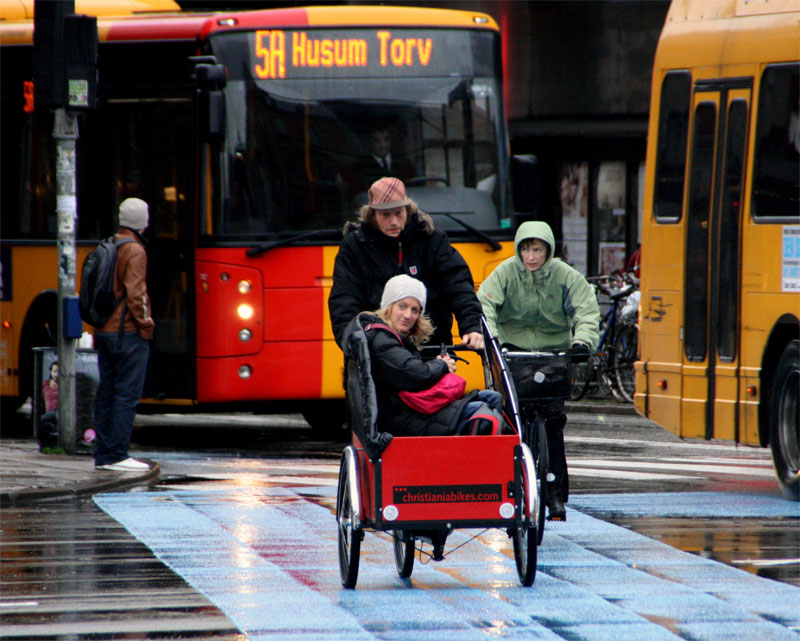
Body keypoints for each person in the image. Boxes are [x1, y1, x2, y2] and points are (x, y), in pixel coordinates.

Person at [478, 221, 599, 520]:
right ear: (518, 250)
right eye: (526, 249)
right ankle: (510, 486)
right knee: (510, 423)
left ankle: (555, 494)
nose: (531, 256)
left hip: (553, 353)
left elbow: (586, 309)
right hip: (512, 353)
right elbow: (485, 305)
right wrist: (491, 341)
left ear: (549, 250)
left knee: (554, 422)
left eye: (538, 249)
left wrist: (582, 341)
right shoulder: (504, 273)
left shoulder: (565, 276)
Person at [329, 176, 485, 351]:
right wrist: (356, 345)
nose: (394, 221)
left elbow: (458, 285)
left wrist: (473, 327)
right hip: (377, 354)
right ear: (372, 215)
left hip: (431, 349)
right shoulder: (354, 246)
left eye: (398, 213)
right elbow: (344, 301)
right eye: (385, 215)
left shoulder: (432, 239)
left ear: (408, 210)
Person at [357, 274, 502, 437]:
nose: (408, 315)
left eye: (415, 310)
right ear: (388, 306)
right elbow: (415, 374)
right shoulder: (381, 338)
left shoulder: (393, 336)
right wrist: (442, 365)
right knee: (481, 411)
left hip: (409, 407)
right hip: (398, 416)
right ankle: (474, 459)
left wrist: (438, 365)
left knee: (492, 398)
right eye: (402, 306)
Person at [93, 198, 154, 472]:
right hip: (126, 333)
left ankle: (104, 455)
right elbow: (136, 294)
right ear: (142, 222)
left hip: (103, 331)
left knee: (106, 393)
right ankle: (118, 454)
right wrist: (146, 324)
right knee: (126, 395)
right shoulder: (135, 251)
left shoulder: (108, 244)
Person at [357, 125, 416, 190]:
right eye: (377, 141)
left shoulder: (404, 162)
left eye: (386, 139)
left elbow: (414, 185)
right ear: (370, 142)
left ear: (391, 140)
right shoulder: (363, 167)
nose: (383, 145)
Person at [38, 360, 59, 449]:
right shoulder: (45, 384)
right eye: (54, 371)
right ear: (50, 372)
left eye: (58, 372)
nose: (56, 374)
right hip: (49, 411)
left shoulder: (62, 384)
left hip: (57, 411)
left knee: (45, 419)